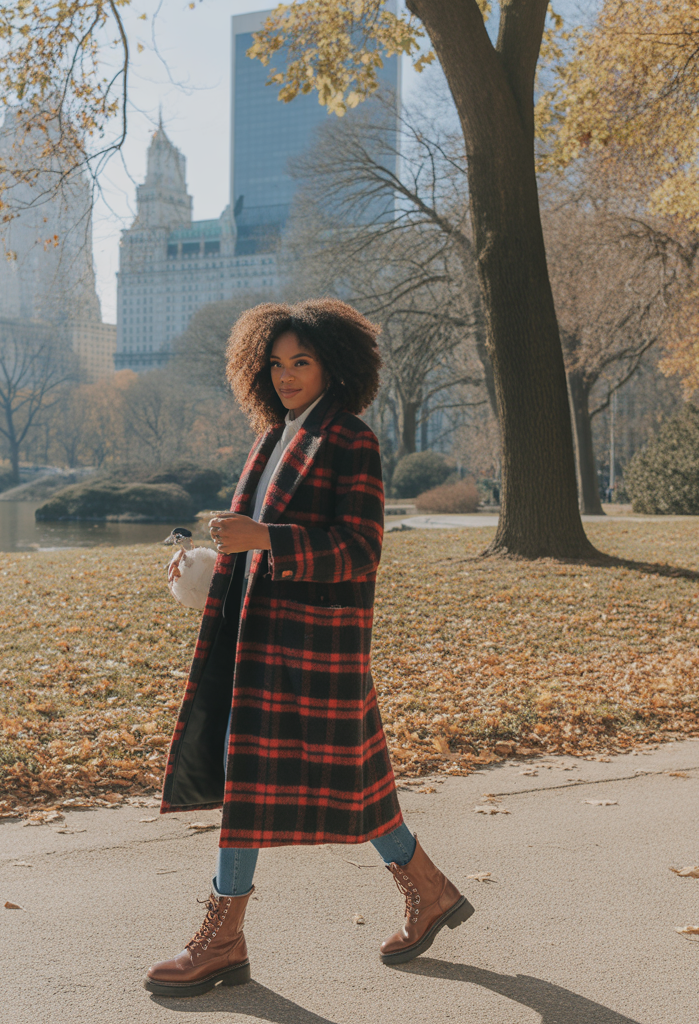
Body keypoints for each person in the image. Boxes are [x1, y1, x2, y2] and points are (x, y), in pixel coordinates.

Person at [146, 299, 472, 998]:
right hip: (264, 640)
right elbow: (254, 540)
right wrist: (206, 563)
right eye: (275, 363)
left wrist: (265, 538)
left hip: (316, 650)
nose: (287, 375)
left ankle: (223, 939)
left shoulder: (350, 439)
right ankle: (430, 891)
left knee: (259, 778)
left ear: (333, 365)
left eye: (302, 361)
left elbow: (360, 550)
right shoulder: (273, 437)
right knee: (347, 783)